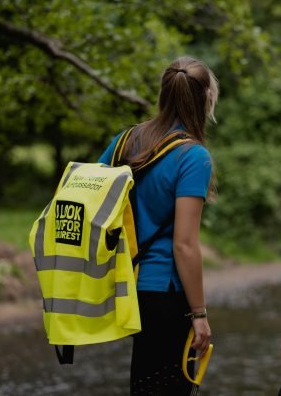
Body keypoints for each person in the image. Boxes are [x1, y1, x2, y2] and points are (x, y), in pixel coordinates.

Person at [98, 56, 217, 395]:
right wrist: (199, 314)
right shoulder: (194, 157)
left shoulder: (126, 140)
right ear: (206, 97)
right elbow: (184, 244)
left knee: (145, 383)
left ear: (164, 94)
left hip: (127, 283)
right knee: (167, 387)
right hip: (166, 291)